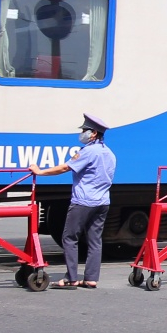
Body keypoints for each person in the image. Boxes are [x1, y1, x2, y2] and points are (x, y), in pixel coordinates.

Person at [26, 115, 117, 289]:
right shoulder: (110, 154)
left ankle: (70, 278)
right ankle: (91, 278)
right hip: (103, 202)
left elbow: (65, 167)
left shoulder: (88, 151)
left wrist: (40, 172)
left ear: (94, 133)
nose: (82, 133)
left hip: (83, 202)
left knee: (69, 238)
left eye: (85, 130)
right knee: (95, 240)